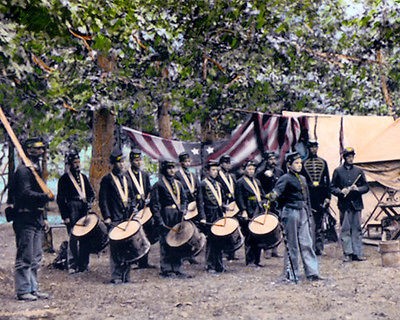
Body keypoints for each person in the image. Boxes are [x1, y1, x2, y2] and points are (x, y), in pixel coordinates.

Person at [267, 151, 321, 282]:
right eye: (296, 163)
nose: (299, 165)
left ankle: (312, 272)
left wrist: (308, 211)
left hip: (302, 211)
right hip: (290, 212)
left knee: (306, 242)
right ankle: (291, 273)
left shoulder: (302, 179)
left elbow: (306, 197)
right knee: (292, 244)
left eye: (300, 163)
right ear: (289, 165)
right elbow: (277, 192)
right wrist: (271, 197)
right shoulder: (285, 178)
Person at [11, 137, 53, 301]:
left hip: (35, 217)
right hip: (24, 216)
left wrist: (44, 217)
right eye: (37, 149)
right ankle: (23, 290)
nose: (41, 152)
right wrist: (45, 196)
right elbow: (24, 194)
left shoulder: (35, 170)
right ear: (28, 151)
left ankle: (33, 288)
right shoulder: (23, 171)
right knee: (25, 255)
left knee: (36, 256)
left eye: (42, 149)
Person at [99, 149, 136, 284]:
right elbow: (103, 200)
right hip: (114, 218)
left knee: (128, 246)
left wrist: (133, 209)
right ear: (113, 164)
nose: (121, 165)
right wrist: (107, 216)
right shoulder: (107, 179)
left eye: (123, 162)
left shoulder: (127, 178)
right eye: (118, 163)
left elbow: (131, 197)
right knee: (115, 247)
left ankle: (127, 275)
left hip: (127, 217)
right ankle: (116, 276)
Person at [57, 150, 95, 274]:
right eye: (74, 162)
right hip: (71, 208)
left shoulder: (84, 178)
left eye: (78, 162)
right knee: (73, 236)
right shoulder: (64, 179)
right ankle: (72, 264)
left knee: (86, 236)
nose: (77, 165)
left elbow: (91, 193)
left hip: (83, 208)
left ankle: (84, 264)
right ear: (69, 164)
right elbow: (60, 199)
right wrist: (65, 215)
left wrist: (89, 202)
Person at [150, 160, 190, 278]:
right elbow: (155, 205)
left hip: (177, 215)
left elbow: (185, 199)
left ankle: (177, 267)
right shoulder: (158, 185)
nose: (172, 170)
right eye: (169, 168)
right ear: (164, 170)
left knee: (178, 241)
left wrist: (184, 209)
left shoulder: (178, 184)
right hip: (165, 215)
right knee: (166, 241)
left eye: (173, 168)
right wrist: (159, 220)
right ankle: (166, 269)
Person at [331, 147, 369, 262]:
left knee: (357, 229)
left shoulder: (359, 171)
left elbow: (366, 187)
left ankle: (357, 253)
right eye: (348, 156)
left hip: (356, 204)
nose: (351, 158)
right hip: (344, 204)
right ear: (344, 158)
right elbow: (332, 187)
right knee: (345, 229)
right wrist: (340, 191)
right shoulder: (338, 171)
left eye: (352, 156)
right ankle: (348, 253)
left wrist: (357, 189)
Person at [126, 148, 157, 269]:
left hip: (144, 208)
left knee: (146, 233)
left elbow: (149, 190)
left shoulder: (144, 175)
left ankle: (144, 261)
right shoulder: (126, 175)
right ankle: (132, 259)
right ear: (131, 161)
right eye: (136, 160)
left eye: (140, 160)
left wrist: (149, 200)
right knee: (133, 235)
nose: (138, 162)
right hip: (132, 208)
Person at [301, 140, 331, 255]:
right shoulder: (303, 163)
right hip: (309, 197)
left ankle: (319, 247)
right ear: (308, 149)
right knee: (309, 224)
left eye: (315, 147)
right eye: (312, 147)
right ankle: (310, 247)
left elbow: (327, 181)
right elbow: (302, 182)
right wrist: (310, 185)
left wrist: (328, 197)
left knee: (319, 224)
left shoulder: (323, 162)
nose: (314, 149)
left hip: (320, 196)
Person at [235, 160, 266, 267]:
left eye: (253, 169)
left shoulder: (257, 181)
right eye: (249, 169)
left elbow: (262, 194)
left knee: (258, 235)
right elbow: (239, 198)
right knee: (249, 235)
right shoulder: (240, 182)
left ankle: (257, 260)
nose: (251, 171)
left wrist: (265, 202)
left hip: (258, 208)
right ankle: (250, 260)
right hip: (248, 209)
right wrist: (243, 210)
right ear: (244, 170)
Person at [198, 160, 225, 273]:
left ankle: (219, 264)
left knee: (220, 239)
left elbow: (221, 200)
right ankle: (210, 265)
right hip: (209, 213)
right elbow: (200, 202)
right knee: (211, 240)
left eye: (216, 170)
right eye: (213, 170)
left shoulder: (218, 184)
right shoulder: (203, 184)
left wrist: (224, 209)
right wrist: (202, 217)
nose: (215, 172)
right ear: (208, 171)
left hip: (218, 213)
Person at [256, 151, 284, 259]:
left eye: (274, 159)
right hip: (266, 202)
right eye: (271, 159)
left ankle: (275, 249)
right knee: (267, 226)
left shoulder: (279, 172)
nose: (273, 161)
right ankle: (266, 249)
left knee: (277, 225)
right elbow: (258, 187)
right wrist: (264, 197)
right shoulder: (260, 173)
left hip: (277, 202)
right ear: (267, 160)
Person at [175, 151, 201, 264]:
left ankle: (191, 254)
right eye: (185, 161)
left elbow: (198, 186)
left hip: (193, 206)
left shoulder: (193, 175)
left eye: (189, 161)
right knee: (183, 230)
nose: (187, 163)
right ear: (180, 163)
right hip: (183, 205)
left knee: (193, 230)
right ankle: (181, 255)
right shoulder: (177, 175)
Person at [216, 155, 238, 261]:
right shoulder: (217, 176)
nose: (228, 165)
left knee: (233, 227)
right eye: (226, 163)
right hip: (223, 203)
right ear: (221, 164)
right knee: (224, 228)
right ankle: (224, 251)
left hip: (232, 204)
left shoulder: (232, 176)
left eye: (229, 163)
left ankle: (232, 252)